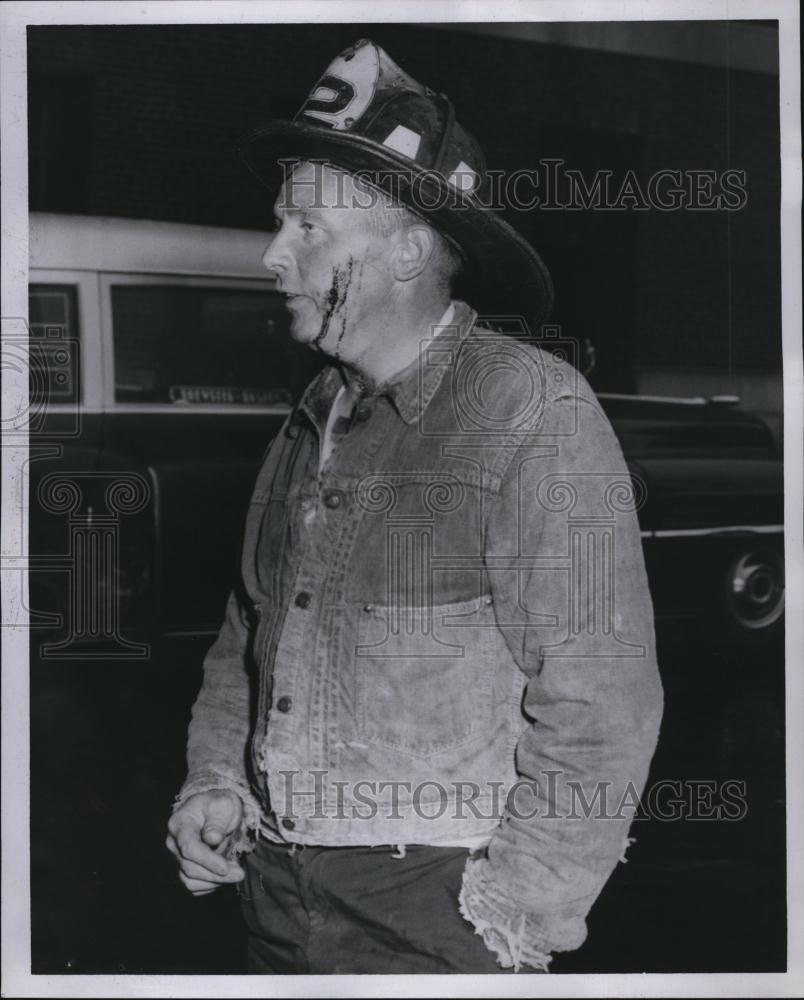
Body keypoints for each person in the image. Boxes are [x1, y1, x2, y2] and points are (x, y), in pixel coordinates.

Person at [166, 38, 664, 974]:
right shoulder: (311, 418)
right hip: (276, 892)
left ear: (406, 249)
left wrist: (514, 914)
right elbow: (248, 632)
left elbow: (604, 703)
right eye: (279, 224)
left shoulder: (529, 412)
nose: (272, 256)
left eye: (308, 227)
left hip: (438, 912)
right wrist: (217, 779)